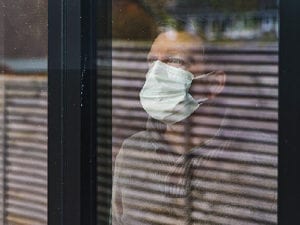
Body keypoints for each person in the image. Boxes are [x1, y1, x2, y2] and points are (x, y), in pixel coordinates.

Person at [112, 29, 277, 225]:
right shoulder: (133, 152)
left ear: (214, 83)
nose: (155, 72)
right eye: (151, 61)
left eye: (175, 61)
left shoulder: (266, 158)